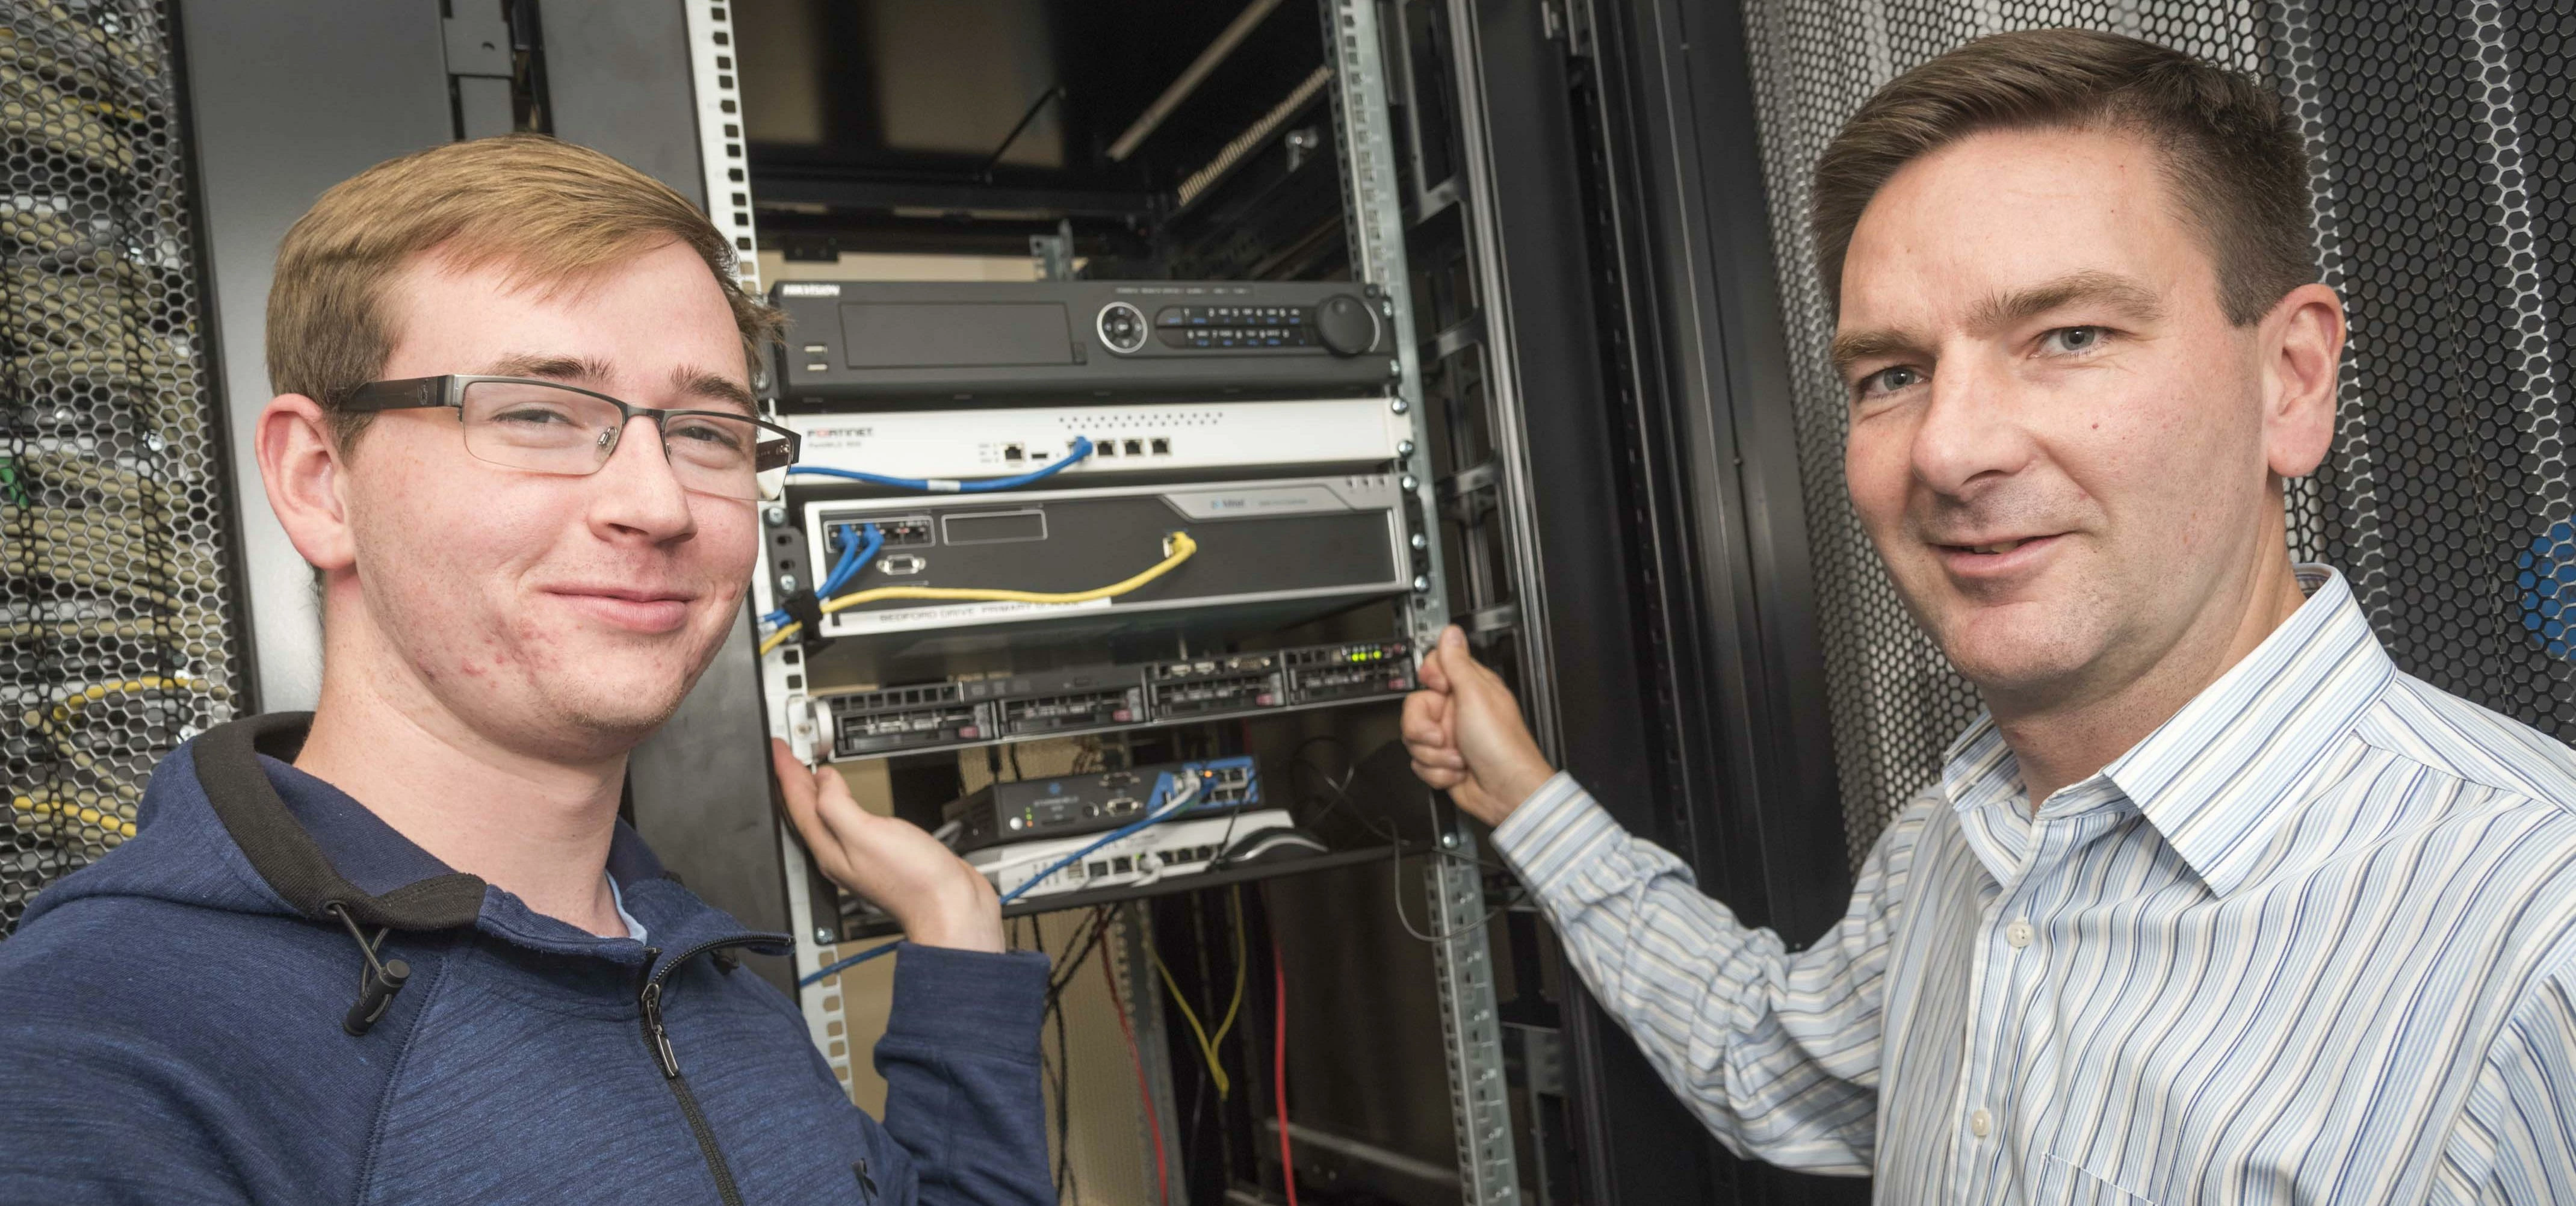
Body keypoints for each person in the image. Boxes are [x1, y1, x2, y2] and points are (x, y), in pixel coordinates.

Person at [1405, 28, 2576, 1204]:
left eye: (2070, 337)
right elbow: (1761, 1056)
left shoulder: (2536, 934)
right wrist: (1521, 795)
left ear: (2292, 379)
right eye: (1891, 376)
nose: (1952, 449)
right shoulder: (1954, 850)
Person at [0, 136, 1049, 1205]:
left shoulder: (692, 973)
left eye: (707, 432)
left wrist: (958, 940)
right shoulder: (101, 1051)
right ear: (320, 483)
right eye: (539, 413)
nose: (660, 502)